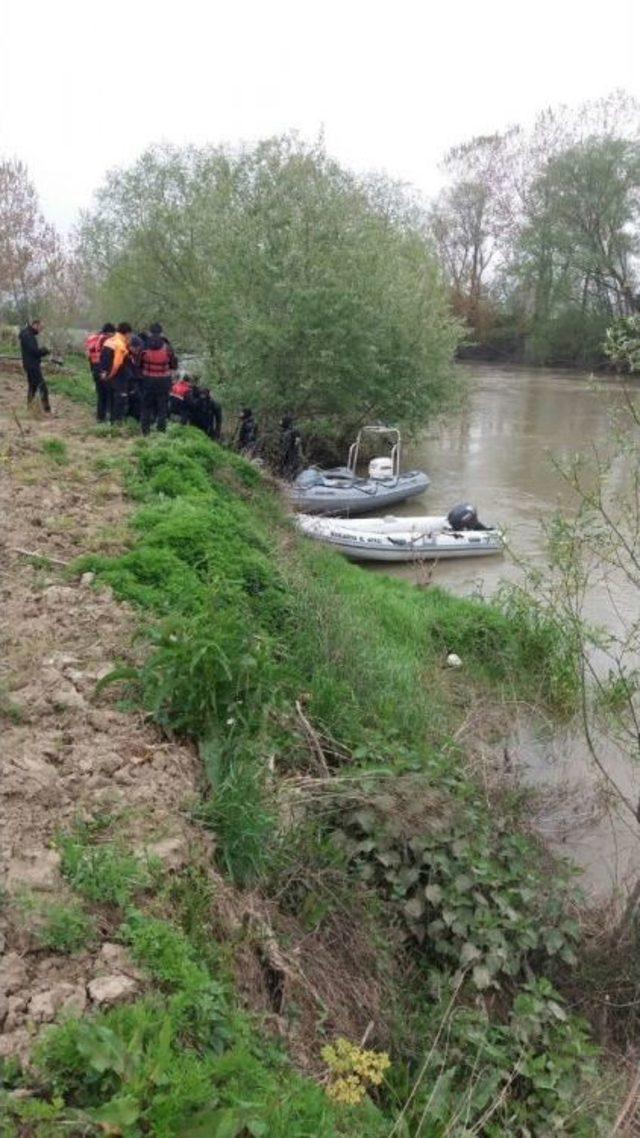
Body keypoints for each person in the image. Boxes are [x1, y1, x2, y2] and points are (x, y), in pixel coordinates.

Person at [138, 322, 177, 435]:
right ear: (161, 332)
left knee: (146, 407)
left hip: (147, 381)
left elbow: (138, 363)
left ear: (150, 332)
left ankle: (145, 432)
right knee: (162, 408)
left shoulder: (144, 346)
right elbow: (174, 365)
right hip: (163, 382)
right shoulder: (168, 347)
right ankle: (161, 432)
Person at [100, 322, 132, 424]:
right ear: (127, 333)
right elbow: (117, 363)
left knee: (110, 398)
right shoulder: (120, 344)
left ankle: (110, 420)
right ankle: (117, 421)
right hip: (118, 376)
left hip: (107, 374)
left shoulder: (108, 341)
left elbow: (103, 358)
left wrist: (104, 373)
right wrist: (111, 375)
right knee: (120, 398)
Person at [85, 323, 115, 422]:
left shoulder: (92, 339)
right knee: (108, 394)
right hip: (104, 370)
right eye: (113, 334)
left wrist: (92, 370)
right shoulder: (106, 340)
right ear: (109, 332)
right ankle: (109, 417)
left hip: (95, 369)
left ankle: (100, 417)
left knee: (100, 394)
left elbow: (89, 356)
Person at [19, 318, 51, 413]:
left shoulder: (28, 334)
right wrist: (45, 351)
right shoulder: (28, 335)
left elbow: (33, 351)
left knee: (32, 387)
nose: (41, 330)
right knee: (43, 387)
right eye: (40, 327)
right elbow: (35, 351)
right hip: (32, 365)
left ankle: (30, 408)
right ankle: (47, 410)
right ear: (35, 325)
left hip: (30, 364)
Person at [279, 413, 303, 478]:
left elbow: (297, 442)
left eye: (282, 421)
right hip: (285, 453)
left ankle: (290, 479)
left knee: (290, 468)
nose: (280, 423)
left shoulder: (294, 431)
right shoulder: (284, 431)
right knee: (284, 467)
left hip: (291, 454)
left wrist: (293, 451)